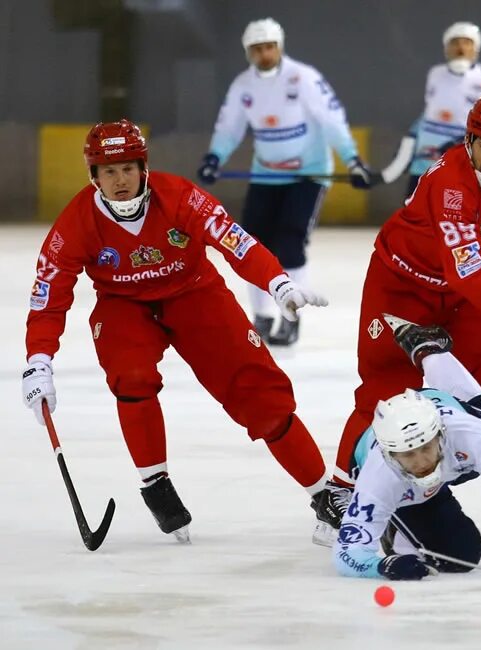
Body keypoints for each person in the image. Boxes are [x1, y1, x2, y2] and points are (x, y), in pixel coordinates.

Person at [22, 119, 330, 542]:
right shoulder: (76, 222)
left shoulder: (180, 196)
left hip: (195, 293)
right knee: (129, 373)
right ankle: (156, 485)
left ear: (143, 167)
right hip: (123, 304)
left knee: (261, 395)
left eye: (128, 168)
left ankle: (325, 496)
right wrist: (38, 360)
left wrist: (277, 282)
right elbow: (48, 293)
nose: (120, 180)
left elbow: (234, 241)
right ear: (93, 177)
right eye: (108, 172)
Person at [311, 92, 481, 545]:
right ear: (469, 140)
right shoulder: (450, 184)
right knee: (387, 386)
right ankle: (340, 492)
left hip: (465, 298)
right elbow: (467, 267)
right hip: (403, 289)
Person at [333, 319, 481, 580]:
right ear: (389, 455)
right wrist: (384, 566)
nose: (420, 461)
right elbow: (347, 553)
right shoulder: (377, 476)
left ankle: (429, 352)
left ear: (441, 434)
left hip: (454, 434)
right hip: (411, 489)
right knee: (461, 555)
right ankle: (396, 529)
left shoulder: (471, 434)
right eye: (408, 454)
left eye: (425, 447)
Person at [197, 17, 374, 346]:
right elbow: (230, 126)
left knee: (291, 241)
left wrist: (352, 160)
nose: (264, 54)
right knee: (252, 244)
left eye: (269, 47)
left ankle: (291, 316)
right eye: (257, 49)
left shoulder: (304, 78)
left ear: (279, 47)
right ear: (248, 52)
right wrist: (214, 157)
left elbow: (332, 120)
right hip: (266, 172)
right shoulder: (243, 86)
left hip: (309, 173)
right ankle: (262, 317)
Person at [377, 21, 481, 196]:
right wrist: (408, 144)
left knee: (452, 219)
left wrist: (458, 144)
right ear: (446, 48)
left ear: (476, 49)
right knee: (412, 217)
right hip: (423, 165)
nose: (460, 47)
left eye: (467, 42)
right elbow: (428, 115)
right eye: (455, 42)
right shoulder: (435, 74)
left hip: (459, 168)